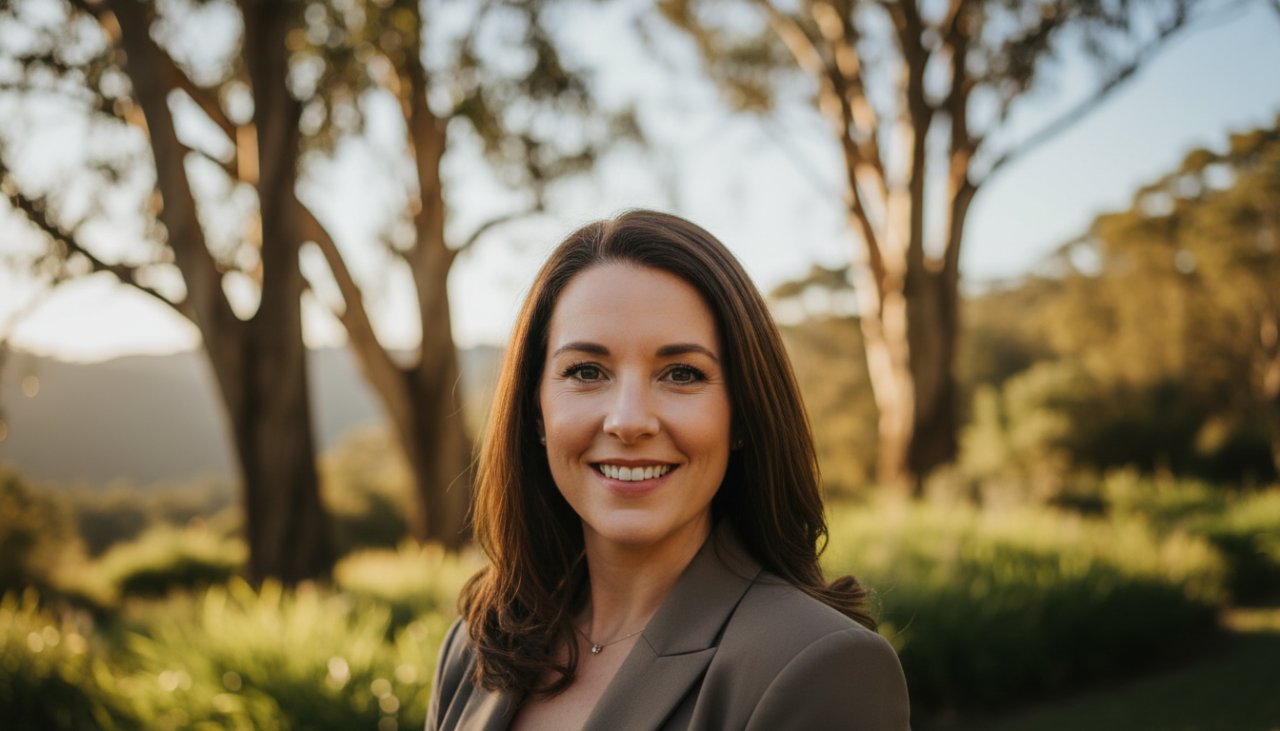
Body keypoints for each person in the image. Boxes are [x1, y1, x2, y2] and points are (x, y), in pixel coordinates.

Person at [426, 210, 909, 730]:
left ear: (743, 414)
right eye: (587, 371)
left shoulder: (821, 665)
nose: (629, 421)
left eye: (682, 373)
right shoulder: (479, 645)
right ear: (535, 410)